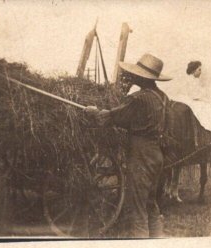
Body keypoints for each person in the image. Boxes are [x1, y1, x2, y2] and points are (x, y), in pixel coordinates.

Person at [85, 53, 172, 238]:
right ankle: (158, 238)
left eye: (136, 74)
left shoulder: (139, 99)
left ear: (142, 77)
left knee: (137, 206)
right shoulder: (163, 98)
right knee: (150, 201)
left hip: (141, 155)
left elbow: (115, 116)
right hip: (157, 155)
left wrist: (95, 112)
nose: (133, 76)